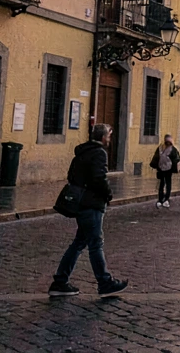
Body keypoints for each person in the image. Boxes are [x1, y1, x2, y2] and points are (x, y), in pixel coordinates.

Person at [49, 123, 127, 298]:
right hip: (92, 204)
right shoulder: (99, 153)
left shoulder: (81, 152)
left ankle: (60, 281)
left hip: (81, 203)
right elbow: (99, 179)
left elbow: (72, 176)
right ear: (103, 137)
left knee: (79, 243)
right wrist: (108, 194)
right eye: (108, 136)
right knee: (95, 244)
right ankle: (105, 282)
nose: (109, 139)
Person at [151, 134, 179, 208]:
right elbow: (177, 158)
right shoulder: (172, 149)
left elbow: (156, 157)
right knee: (167, 184)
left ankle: (160, 199)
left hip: (161, 168)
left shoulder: (160, 148)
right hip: (168, 169)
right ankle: (166, 199)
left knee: (162, 184)